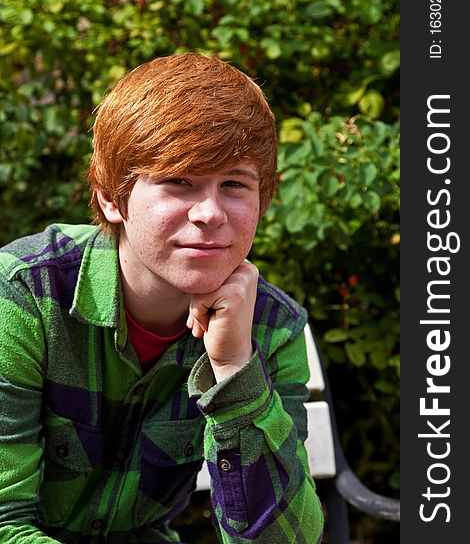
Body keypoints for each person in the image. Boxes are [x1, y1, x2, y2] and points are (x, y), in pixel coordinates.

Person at [0, 53, 324, 543]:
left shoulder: (270, 329)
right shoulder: (25, 296)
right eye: (179, 182)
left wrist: (236, 370)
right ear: (112, 197)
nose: (211, 213)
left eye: (234, 184)